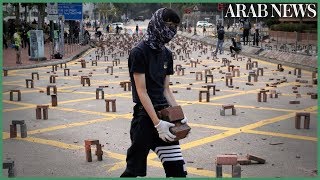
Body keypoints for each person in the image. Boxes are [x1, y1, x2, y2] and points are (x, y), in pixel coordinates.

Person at [121, 8, 188, 178]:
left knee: (177, 171)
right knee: (133, 171)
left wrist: (178, 114)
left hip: (166, 117)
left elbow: (165, 89)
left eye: (174, 27)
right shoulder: (139, 52)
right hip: (144, 118)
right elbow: (142, 92)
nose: (171, 30)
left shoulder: (167, 54)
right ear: (157, 23)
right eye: (168, 25)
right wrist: (157, 124)